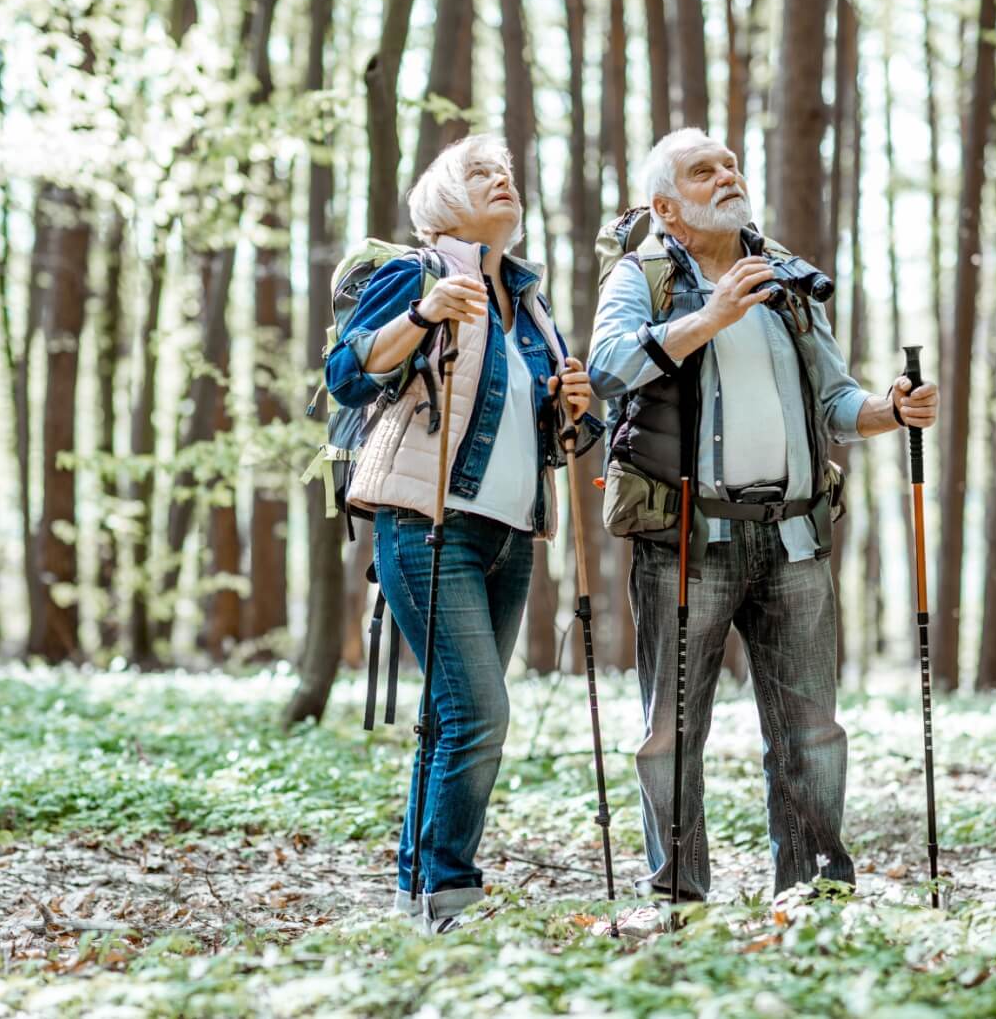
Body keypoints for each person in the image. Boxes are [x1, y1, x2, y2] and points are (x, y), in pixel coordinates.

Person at [587, 128, 940, 920]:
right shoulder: (640, 274)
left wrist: (892, 410)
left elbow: (838, 403)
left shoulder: (787, 280)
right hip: (686, 538)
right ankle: (679, 898)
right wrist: (709, 316)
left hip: (795, 539)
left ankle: (814, 896)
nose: (728, 175)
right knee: (672, 735)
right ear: (666, 207)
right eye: (703, 170)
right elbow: (607, 367)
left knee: (812, 731)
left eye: (731, 163)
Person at [325, 134, 603, 934]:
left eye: (509, 174)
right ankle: (451, 896)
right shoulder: (416, 274)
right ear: (444, 198)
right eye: (482, 173)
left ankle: (419, 892)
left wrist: (567, 400)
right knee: (481, 712)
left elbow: (531, 424)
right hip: (426, 524)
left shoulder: (530, 301)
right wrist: (422, 314)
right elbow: (345, 373)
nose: (502, 181)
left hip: (509, 535)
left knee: (452, 716)